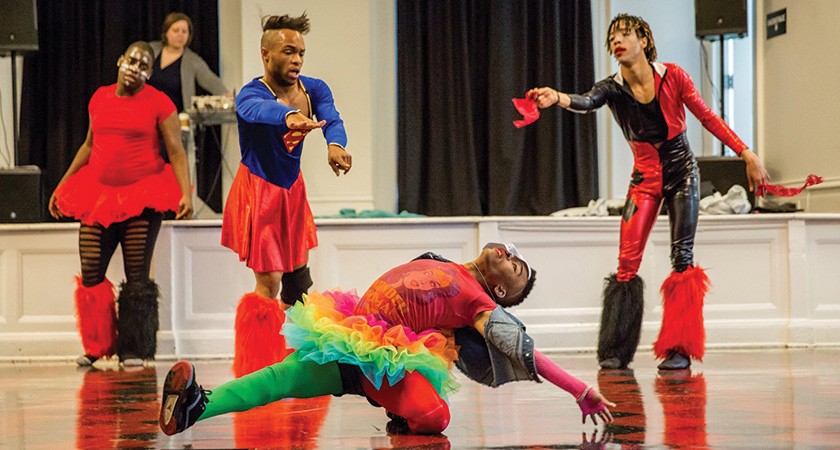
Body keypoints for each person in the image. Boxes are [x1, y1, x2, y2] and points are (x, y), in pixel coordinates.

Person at [159, 243, 615, 436]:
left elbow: (526, 350)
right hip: (346, 337)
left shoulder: (481, 304)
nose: (509, 255)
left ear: (499, 292)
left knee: (436, 416)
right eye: (514, 254)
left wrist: (582, 390)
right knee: (276, 381)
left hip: (384, 362)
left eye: (515, 269)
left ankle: (403, 414)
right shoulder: (443, 261)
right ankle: (197, 405)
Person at [527, 13, 770, 370]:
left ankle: (679, 350)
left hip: (681, 174)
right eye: (612, 37)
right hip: (644, 180)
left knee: (682, 258)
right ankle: (614, 351)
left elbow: (707, 117)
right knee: (626, 264)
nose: (617, 40)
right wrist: (557, 97)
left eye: (625, 33)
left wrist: (746, 152)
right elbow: (586, 101)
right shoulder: (611, 87)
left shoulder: (674, 76)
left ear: (644, 40)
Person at [220, 13, 353, 378]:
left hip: (292, 192)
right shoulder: (251, 93)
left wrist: (335, 145)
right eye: (288, 52)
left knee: (299, 279)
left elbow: (331, 117)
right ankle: (259, 367)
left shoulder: (314, 88)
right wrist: (289, 116)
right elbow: (256, 110)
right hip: (258, 192)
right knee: (269, 282)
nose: (296, 60)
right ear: (266, 55)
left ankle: (302, 359)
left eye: (301, 54)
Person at [48, 41, 193, 367]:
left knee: (136, 276)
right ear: (120, 61)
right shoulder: (99, 97)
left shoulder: (160, 102)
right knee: (90, 273)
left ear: (149, 73)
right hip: (98, 195)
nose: (136, 67)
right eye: (132, 61)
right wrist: (63, 183)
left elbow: (176, 152)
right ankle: (97, 345)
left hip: (143, 195)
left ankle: (134, 348)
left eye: (143, 65)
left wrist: (186, 192)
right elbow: (88, 144)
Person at [148, 12, 228, 113]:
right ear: (166, 32)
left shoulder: (193, 61)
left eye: (184, 32)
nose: (180, 35)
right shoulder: (151, 50)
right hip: (146, 114)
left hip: (176, 119)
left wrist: (229, 97)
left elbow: (212, 81)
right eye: (176, 30)